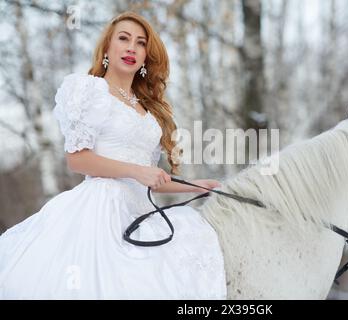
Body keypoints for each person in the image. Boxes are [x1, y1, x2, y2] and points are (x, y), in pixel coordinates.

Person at [0, 11, 227, 299]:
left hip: (142, 213)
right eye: (123, 38)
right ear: (107, 48)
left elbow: (150, 178)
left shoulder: (148, 110)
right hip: (100, 212)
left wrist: (197, 186)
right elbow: (78, 159)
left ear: (146, 56)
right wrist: (135, 171)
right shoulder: (88, 90)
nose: (132, 47)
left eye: (141, 43)